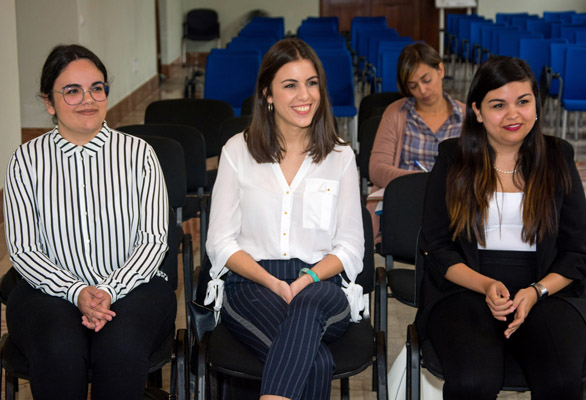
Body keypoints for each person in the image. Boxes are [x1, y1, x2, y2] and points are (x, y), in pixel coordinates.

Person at [417, 56, 586, 399]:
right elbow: (436, 245)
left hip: (547, 289)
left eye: (523, 102)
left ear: (536, 106)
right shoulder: (453, 158)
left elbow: (578, 253)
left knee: (560, 380)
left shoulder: (559, 157)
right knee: (473, 380)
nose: (513, 115)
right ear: (478, 111)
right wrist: (485, 285)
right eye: (498, 105)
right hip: (467, 286)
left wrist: (535, 291)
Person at [3, 44, 176, 400]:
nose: (88, 99)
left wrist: (109, 290)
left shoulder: (139, 155)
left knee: (121, 349)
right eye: (72, 91)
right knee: (59, 350)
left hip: (134, 286)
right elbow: (24, 250)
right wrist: (76, 292)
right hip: (48, 289)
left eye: (97, 88)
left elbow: (154, 240)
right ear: (49, 103)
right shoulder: (27, 160)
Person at [204, 38, 364, 400]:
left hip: (322, 282)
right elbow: (220, 243)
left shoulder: (339, 155)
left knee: (307, 306)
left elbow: (352, 246)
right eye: (289, 85)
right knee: (317, 362)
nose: (303, 95)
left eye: (311, 83)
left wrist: (307, 278)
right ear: (268, 95)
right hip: (252, 282)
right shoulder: (237, 151)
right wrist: (272, 282)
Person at [368, 42, 464, 238]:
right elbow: (376, 169)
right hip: (408, 205)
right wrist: (418, 182)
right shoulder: (396, 113)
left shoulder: (466, 117)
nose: (422, 90)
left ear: (441, 69)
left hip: (454, 207)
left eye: (426, 80)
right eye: (413, 86)